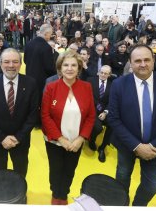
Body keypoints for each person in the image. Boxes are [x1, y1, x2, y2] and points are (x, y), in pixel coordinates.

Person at [107, 44, 156, 206]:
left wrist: (153, 146)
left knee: (151, 187)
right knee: (122, 179)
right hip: (127, 145)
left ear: (153, 60)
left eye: (147, 60)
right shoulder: (119, 84)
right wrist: (136, 146)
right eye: (138, 61)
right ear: (131, 63)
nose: (143, 64)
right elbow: (114, 119)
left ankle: (137, 207)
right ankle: (121, 206)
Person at [41, 51, 95, 205]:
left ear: (79, 68)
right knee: (55, 171)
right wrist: (61, 139)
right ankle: (56, 195)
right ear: (60, 68)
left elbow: (91, 116)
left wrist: (81, 138)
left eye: (73, 65)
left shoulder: (86, 87)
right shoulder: (51, 87)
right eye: (66, 65)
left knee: (69, 171)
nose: (69, 68)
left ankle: (63, 195)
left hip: (76, 142)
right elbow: (45, 116)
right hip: (55, 141)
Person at [0, 48, 39, 177]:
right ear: (0, 64)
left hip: (21, 140)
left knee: (21, 171)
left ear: (21, 63)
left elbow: (33, 114)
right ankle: (1, 196)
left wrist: (18, 137)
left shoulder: (30, 83)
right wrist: (2, 138)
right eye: (6, 62)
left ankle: (20, 195)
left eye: (15, 62)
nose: (11, 65)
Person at [24, 24, 56, 126]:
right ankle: (38, 122)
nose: (50, 36)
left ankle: (29, 120)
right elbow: (49, 67)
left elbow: (25, 60)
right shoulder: (46, 47)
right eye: (50, 34)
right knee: (41, 102)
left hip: (28, 76)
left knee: (30, 99)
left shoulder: (29, 44)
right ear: (46, 33)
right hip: (42, 79)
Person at [87, 65, 114, 162]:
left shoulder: (112, 85)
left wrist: (105, 112)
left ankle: (102, 147)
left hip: (104, 111)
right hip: (92, 110)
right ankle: (91, 140)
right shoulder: (90, 81)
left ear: (109, 75)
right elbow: (87, 96)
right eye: (101, 72)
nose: (103, 75)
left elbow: (112, 101)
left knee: (113, 124)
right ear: (98, 72)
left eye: (105, 73)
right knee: (98, 128)